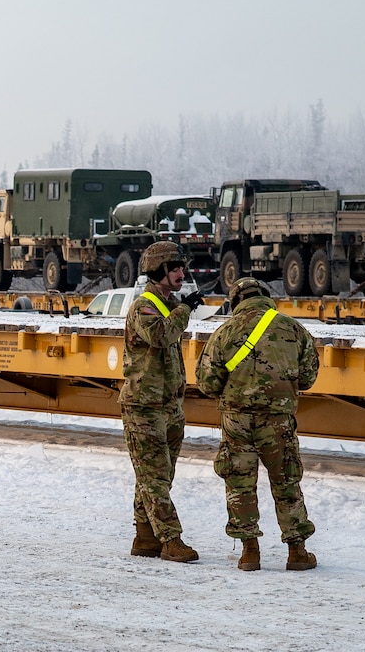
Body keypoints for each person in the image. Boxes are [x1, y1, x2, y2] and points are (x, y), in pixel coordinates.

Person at [196, 276, 321, 571]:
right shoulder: (293, 328)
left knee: (239, 483)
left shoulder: (224, 332)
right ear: (266, 296)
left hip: (237, 420)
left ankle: (249, 552)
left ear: (236, 301)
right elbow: (308, 377)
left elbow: (207, 382)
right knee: (286, 482)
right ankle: (297, 552)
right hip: (278, 421)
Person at [121, 241, 201, 562]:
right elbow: (161, 335)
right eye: (176, 268)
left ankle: (145, 537)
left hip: (167, 407)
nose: (183, 273)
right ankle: (170, 540)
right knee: (154, 477)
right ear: (158, 272)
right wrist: (185, 309)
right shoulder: (145, 306)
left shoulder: (167, 305)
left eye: (183, 267)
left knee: (157, 477)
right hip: (143, 408)